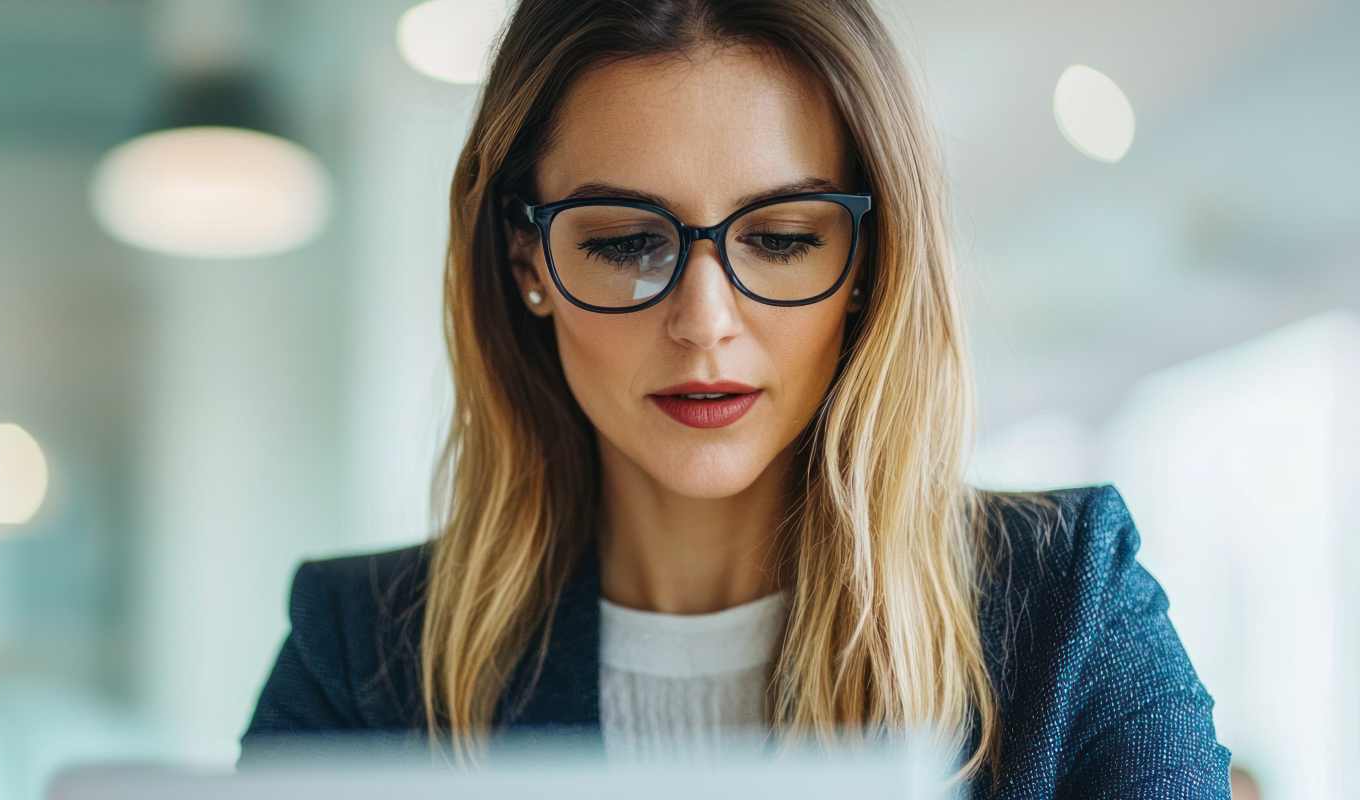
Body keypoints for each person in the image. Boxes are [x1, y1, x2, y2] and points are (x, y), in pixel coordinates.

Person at [242, 1, 1232, 797]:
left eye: (784, 236)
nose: (703, 319)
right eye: (625, 242)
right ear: (525, 261)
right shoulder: (362, 652)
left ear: (868, 262)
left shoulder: (1069, 605)